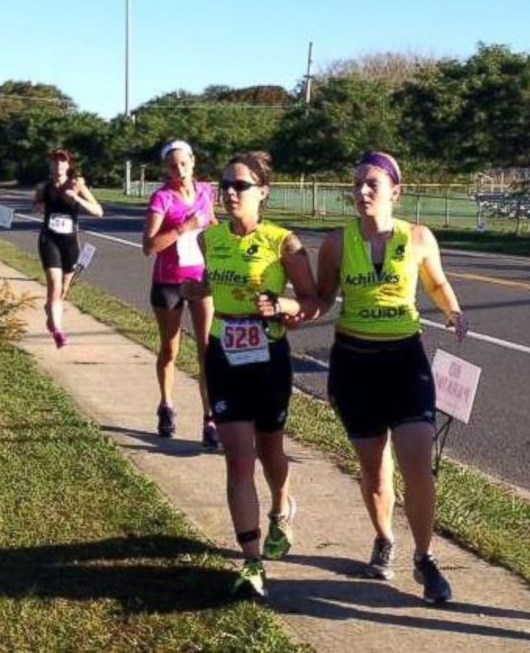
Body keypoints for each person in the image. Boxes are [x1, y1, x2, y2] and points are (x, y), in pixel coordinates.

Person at [315, 150, 468, 605]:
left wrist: (453, 311)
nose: (362, 191)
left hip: (405, 359)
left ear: (395, 192)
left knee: (417, 463)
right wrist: (293, 311)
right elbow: (323, 297)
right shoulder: (336, 243)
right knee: (373, 467)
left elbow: (437, 283)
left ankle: (426, 558)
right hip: (354, 361)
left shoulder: (419, 237)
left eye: (372, 184)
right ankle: (384, 538)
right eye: (357, 184)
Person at [183, 150, 317, 598]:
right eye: (224, 185)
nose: (230, 193)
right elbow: (203, 282)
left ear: (263, 192)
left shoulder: (285, 243)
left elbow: (313, 302)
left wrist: (282, 306)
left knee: (270, 452)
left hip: (268, 357)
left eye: (240, 186)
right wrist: (197, 288)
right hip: (224, 353)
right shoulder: (208, 239)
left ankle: (280, 507)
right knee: (238, 459)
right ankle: (252, 561)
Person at [141, 139, 218, 447]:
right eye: (173, 166)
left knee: (207, 352)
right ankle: (167, 405)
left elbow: (211, 223)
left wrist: (215, 231)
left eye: (184, 164)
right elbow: (149, 246)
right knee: (170, 349)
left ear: (193, 162)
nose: (179, 170)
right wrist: (181, 229)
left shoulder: (205, 192)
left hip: (201, 279)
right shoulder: (162, 198)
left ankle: (209, 418)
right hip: (169, 282)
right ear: (166, 169)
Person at [33, 148, 103, 348]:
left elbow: (98, 211)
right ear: (50, 165)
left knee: (63, 289)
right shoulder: (43, 186)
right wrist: (39, 205)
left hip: (70, 241)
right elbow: (36, 205)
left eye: (62, 162)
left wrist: (77, 198)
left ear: (68, 165)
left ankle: (51, 314)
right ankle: (58, 331)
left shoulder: (77, 184)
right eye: (55, 162)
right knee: (54, 285)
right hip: (49, 239)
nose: (58, 165)